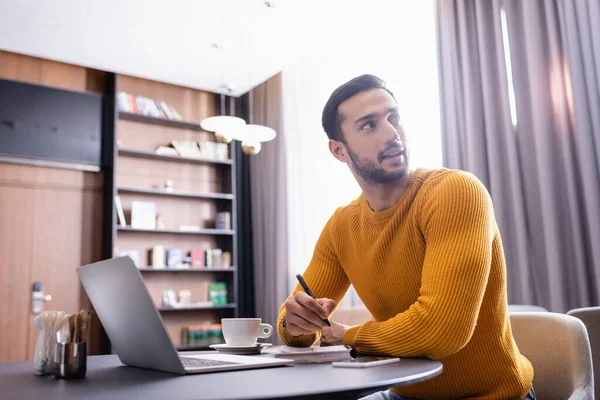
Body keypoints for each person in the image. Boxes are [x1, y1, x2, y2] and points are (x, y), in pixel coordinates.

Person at [277, 74, 535, 400]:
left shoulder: (454, 192)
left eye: (393, 117)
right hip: (402, 395)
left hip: (491, 397)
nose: (393, 133)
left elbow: (442, 331)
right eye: (369, 125)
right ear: (339, 150)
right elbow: (293, 325)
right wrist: (295, 323)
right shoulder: (341, 226)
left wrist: (347, 336)